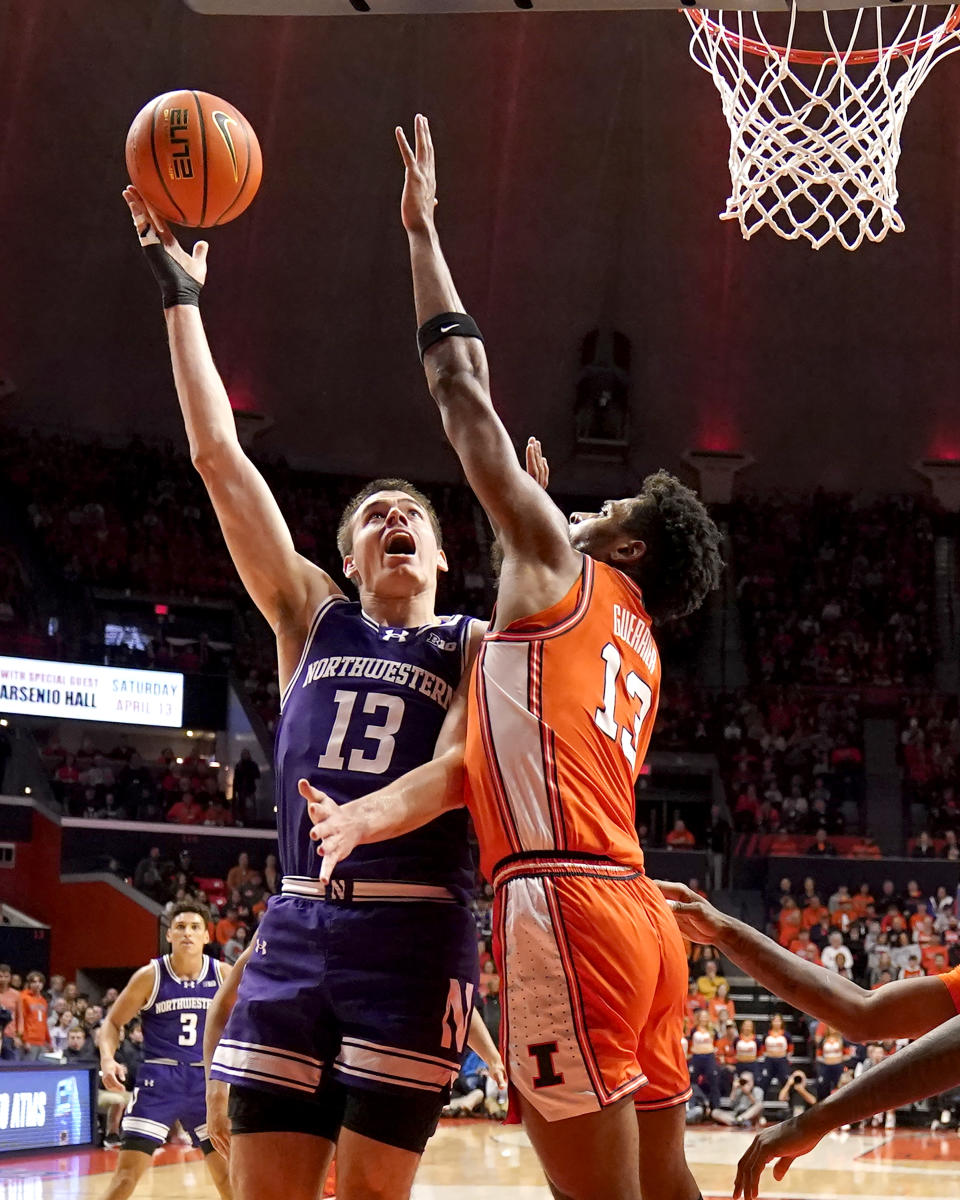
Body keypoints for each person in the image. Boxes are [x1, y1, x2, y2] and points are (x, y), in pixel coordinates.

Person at [304, 114, 723, 1200]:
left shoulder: (556, 558)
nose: (585, 504)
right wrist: (520, 530)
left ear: (625, 541)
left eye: (609, 504)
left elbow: (459, 392)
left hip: (564, 905)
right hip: (639, 916)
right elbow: (534, 691)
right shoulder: (631, 627)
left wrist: (422, 234)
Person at [121, 183, 485, 1200]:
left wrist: (362, 819)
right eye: (374, 516)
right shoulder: (311, 617)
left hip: (413, 930)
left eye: (411, 511)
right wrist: (179, 299)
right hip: (298, 924)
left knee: (370, 1194)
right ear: (349, 559)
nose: (393, 519)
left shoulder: (470, 642)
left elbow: (460, 767)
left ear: (446, 557)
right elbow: (216, 458)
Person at [97, 901, 231, 1200]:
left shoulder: (223, 974)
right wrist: (108, 1059)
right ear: (169, 934)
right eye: (181, 927)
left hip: (206, 1083)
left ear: (207, 936)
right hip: (159, 1080)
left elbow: (249, 1019)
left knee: (227, 1177)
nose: (188, 933)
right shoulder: (151, 975)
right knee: (125, 1179)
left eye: (195, 927)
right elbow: (113, 1023)